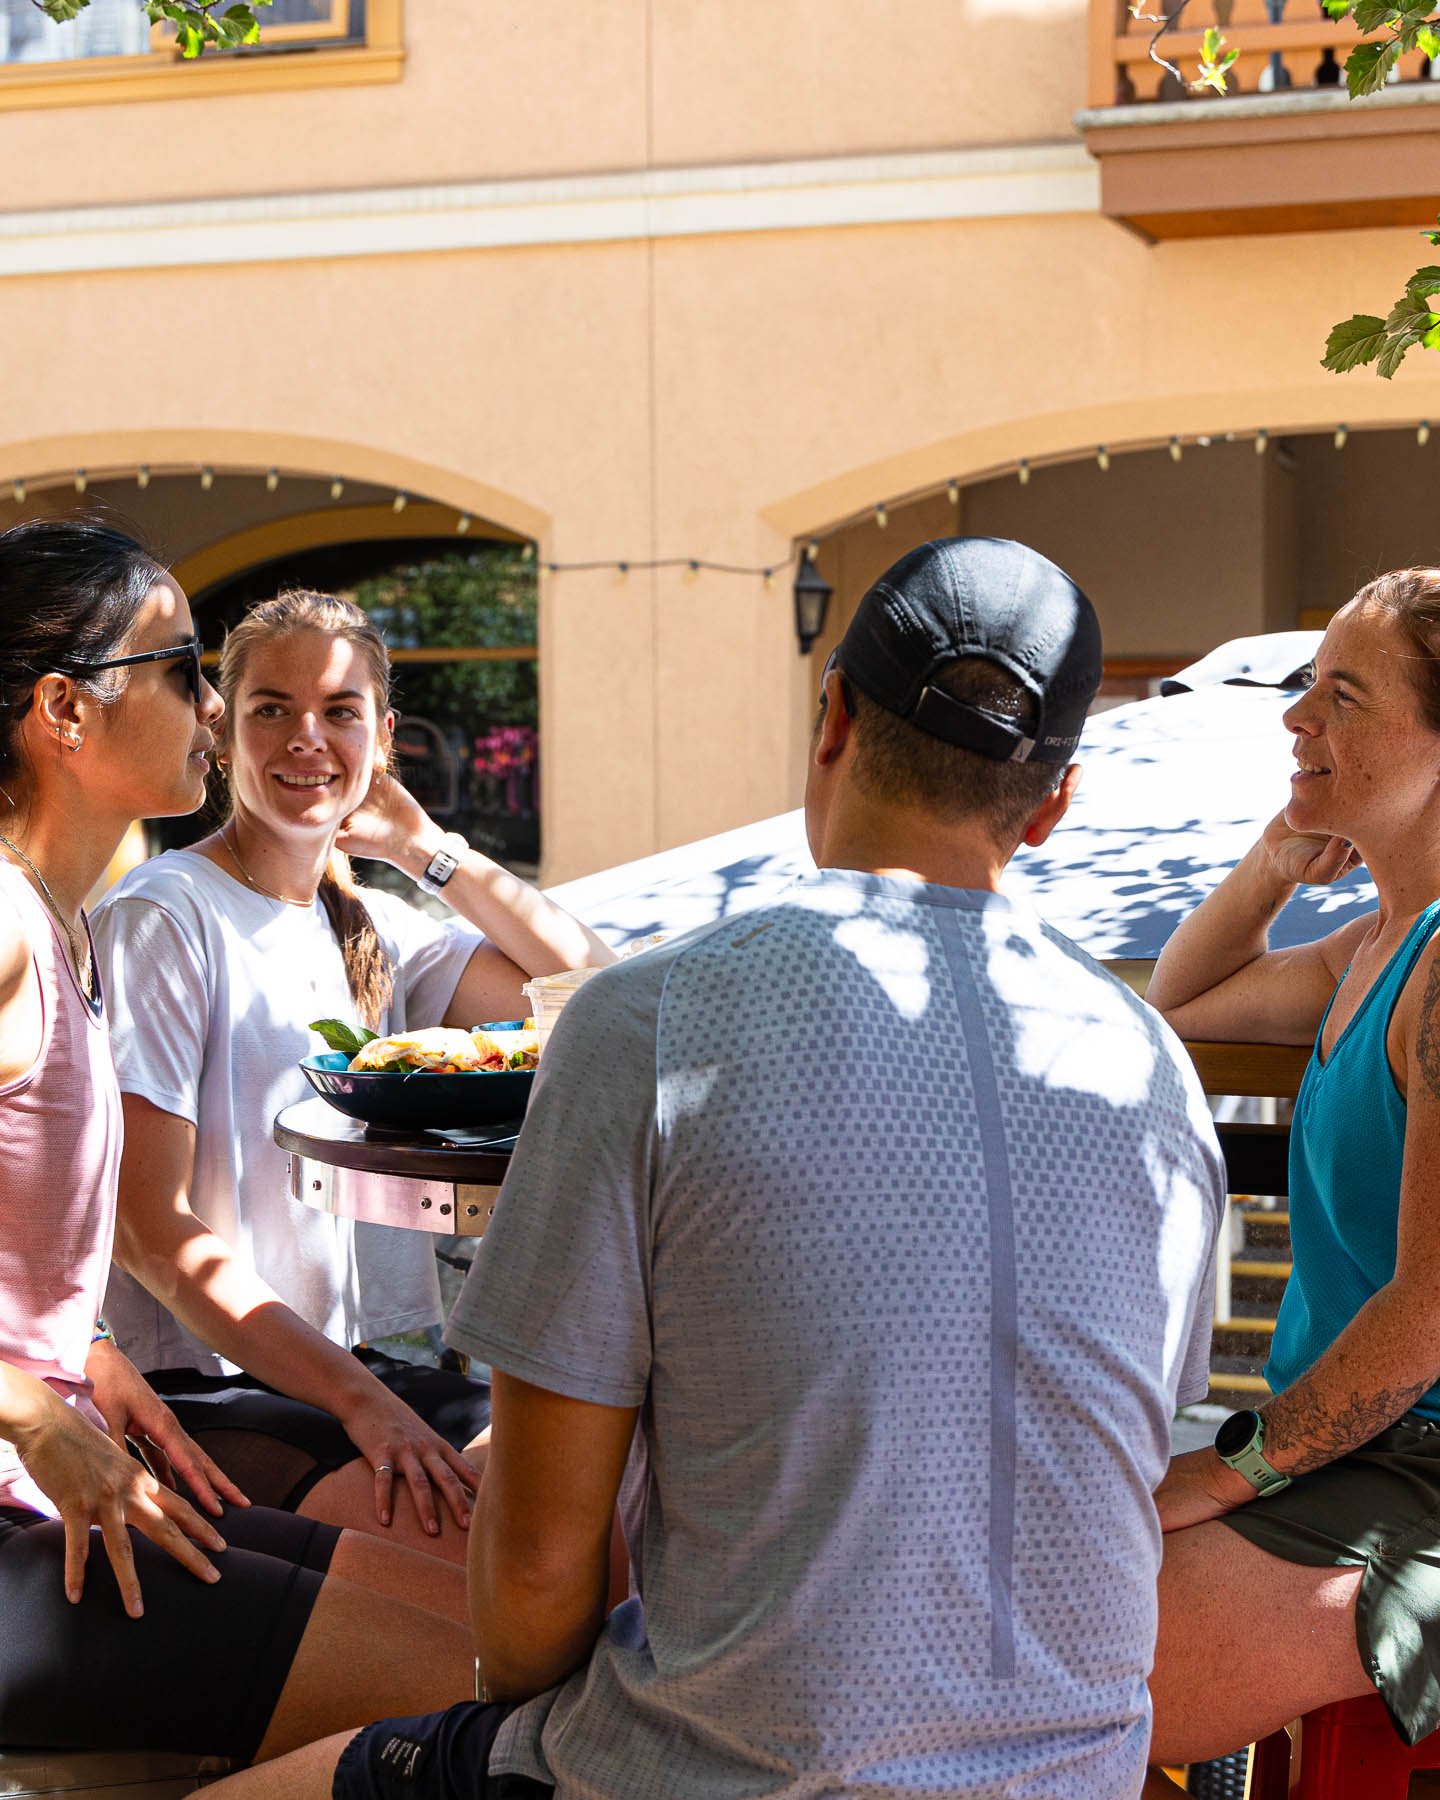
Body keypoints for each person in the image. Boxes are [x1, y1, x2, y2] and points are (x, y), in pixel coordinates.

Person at [213, 536, 1226, 1800]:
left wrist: (522, 1733)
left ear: (833, 716)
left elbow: (533, 1571)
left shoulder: (652, 1021)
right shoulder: (1153, 1068)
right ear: (1056, 801)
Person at [0, 519, 479, 1760]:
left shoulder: (60, 924)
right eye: (180, 671)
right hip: (27, 1519)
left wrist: (84, 1355)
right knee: (481, 1690)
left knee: (512, 1635)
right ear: (64, 708)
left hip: (79, 1480)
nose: (212, 709)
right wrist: (33, 1415)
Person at [90, 589, 614, 1563]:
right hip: (213, 1390)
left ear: (382, 739)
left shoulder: (368, 922)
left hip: (365, 1373)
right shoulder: (165, 915)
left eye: (339, 712)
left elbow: (591, 992)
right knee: (515, 1553)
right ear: (223, 726)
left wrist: (427, 850)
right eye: (271, 709)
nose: (306, 739)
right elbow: (146, 1228)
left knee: (617, 1502)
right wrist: (364, 1404)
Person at [1140, 567, 1440, 1773]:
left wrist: (1228, 1470)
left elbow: (1426, 1318)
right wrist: (1281, 847)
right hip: (1341, 1452)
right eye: (1305, 687)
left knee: (1052, 1650)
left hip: (1414, 1475)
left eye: (1344, 696)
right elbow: (1181, 997)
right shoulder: (1370, 949)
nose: (1295, 717)